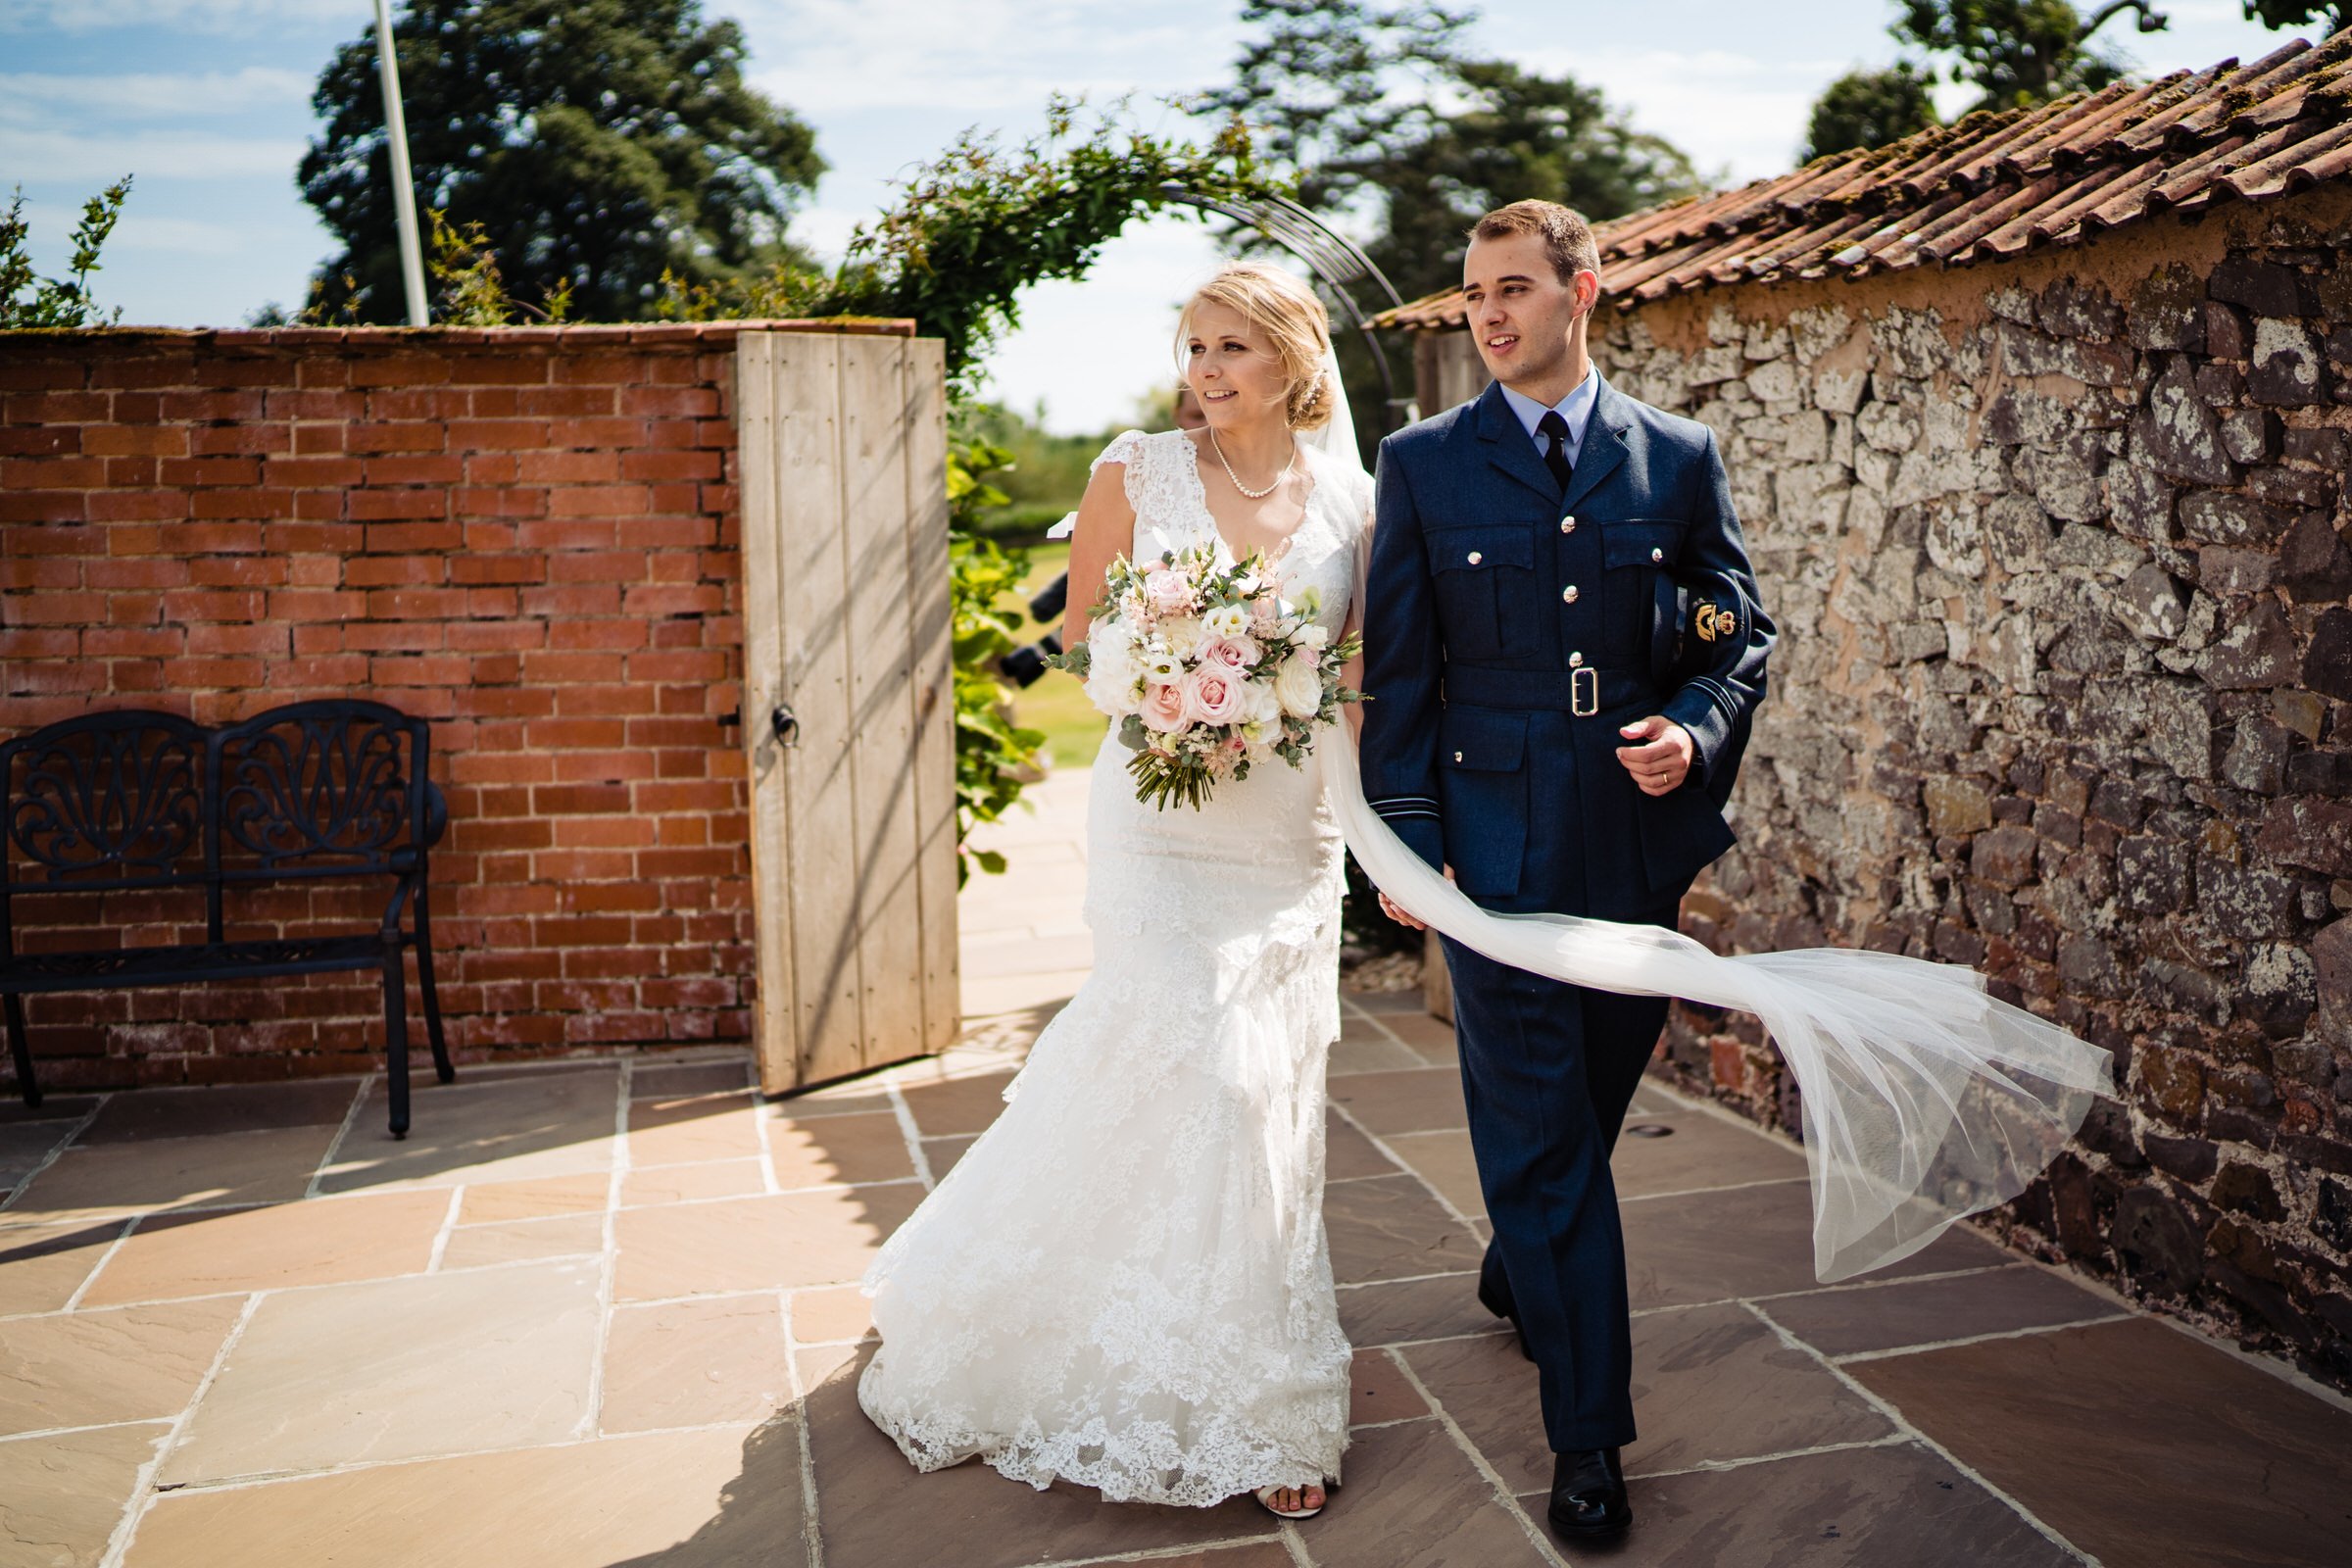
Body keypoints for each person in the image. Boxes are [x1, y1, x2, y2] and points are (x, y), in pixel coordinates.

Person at [858, 263, 1370, 1520]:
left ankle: (1267, 1396)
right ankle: (1063, 1327)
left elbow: (1358, 677)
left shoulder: (1355, 503)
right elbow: (1088, 641)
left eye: (1235, 347)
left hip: (1286, 834)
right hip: (1161, 816)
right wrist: (1183, 682)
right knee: (1195, 1058)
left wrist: (1312, 750)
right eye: (1195, 343)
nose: (1206, 367)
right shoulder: (1130, 473)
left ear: (1294, 362)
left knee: (1266, 1088)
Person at [1356, 199, 1773, 1539]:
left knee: (1582, 1107)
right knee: (1542, 1135)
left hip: (1631, 845)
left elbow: (1732, 630)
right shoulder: (1425, 463)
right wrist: (1406, 847)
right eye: (1475, 292)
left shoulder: (1678, 457)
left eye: (1515, 288)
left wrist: (1696, 727)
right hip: (1493, 857)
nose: (1488, 314)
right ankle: (1588, 1439)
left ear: (1581, 293)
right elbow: (1402, 670)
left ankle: (1517, 1262)